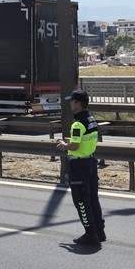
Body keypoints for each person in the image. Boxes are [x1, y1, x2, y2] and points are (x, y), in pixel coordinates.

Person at [54, 90, 106, 245]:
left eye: (71, 101)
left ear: (77, 103)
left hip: (79, 165)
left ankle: (90, 234)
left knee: (81, 201)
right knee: (93, 199)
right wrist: (73, 141)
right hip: (90, 162)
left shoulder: (77, 124)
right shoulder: (91, 120)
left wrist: (65, 145)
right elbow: (84, 140)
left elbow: (75, 146)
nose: (70, 104)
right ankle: (99, 231)